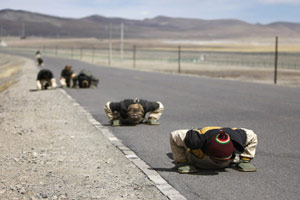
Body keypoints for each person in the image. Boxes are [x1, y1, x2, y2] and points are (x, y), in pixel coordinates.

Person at [170, 126, 258, 173]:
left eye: (223, 160)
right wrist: (182, 162)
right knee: (188, 148)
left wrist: (245, 159)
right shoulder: (196, 140)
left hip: (226, 138)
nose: (220, 163)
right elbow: (174, 135)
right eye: (217, 160)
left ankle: (237, 160)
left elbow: (252, 135)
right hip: (199, 153)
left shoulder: (238, 138)